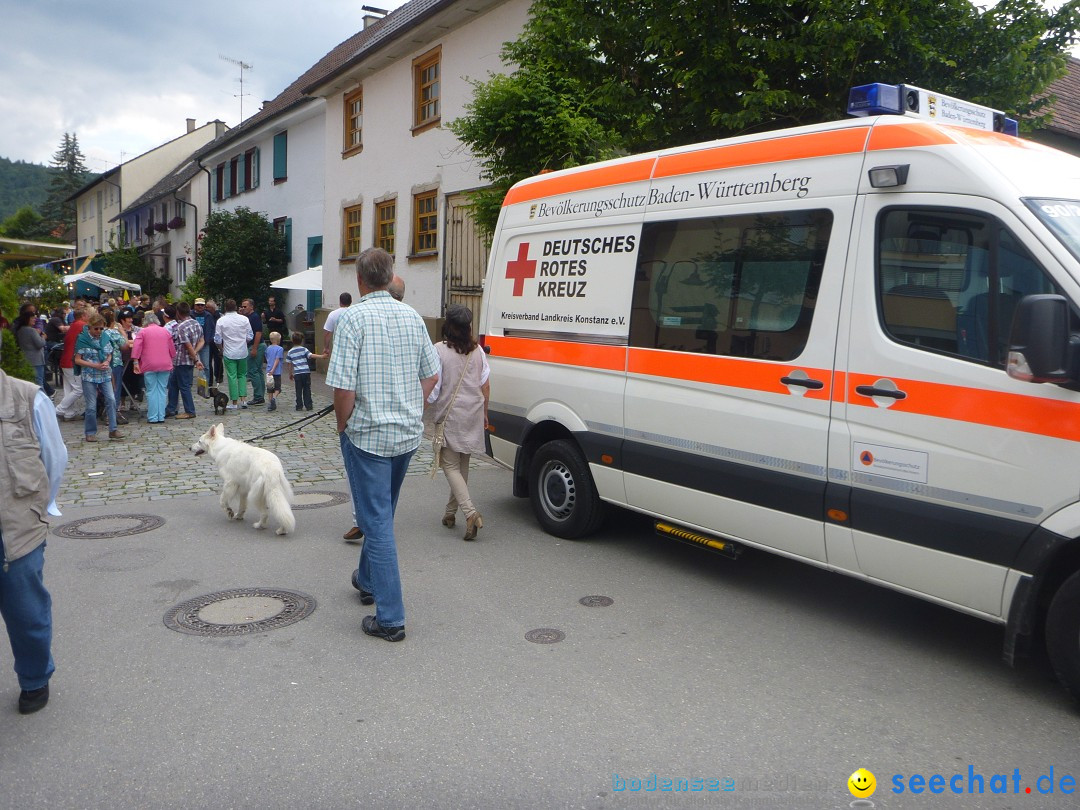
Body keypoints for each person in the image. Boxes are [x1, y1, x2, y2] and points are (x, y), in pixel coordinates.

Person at [327, 247, 440, 643]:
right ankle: (368, 580)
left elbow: (343, 387)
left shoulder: (352, 318)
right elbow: (432, 373)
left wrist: (343, 424)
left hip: (369, 435)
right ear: (390, 276)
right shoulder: (412, 316)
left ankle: (390, 617)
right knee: (382, 513)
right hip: (406, 434)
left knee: (376, 522)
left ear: (359, 281)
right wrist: (411, 403)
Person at [0, 353, 68, 714]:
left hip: (16, 528)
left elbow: (54, 458)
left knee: (27, 613)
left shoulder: (27, 398)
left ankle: (34, 678)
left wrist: (42, 506)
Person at [427, 304, 491, 541]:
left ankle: (470, 512)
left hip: (451, 414)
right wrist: (485, 412)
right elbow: (485, 385)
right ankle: (450, 513)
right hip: (472, 412)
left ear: (449, 326)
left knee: (450, 465)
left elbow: (434, 384)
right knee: (461, 464)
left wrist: (427, 405)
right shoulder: (478, 351)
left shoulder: (439, 350)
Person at [75, 313, 123, 442]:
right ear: (90, 327)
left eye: (101, 328)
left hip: (104, 373)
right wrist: (93, 365)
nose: (99, 331)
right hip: (89, 375)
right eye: (96, 328)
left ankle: (113, 429)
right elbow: (78, 360)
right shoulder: (82, 339)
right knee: (91, 405)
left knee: (111, 400)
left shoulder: (105, 337)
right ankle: (90, 432)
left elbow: (109, 353)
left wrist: (107, 361)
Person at [130, 310, 176, 424]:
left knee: (151, 390)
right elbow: (172, 351)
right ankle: (161, 416)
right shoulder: (165, 331)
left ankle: (153, 416)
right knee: (162, 390)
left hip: (149, 364)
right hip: (165, 364)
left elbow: (136, 347)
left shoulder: (142, 332)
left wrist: (135, 362)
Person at [165, 301, 204, 420]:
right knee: (173, 384)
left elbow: (187, 345)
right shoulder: (196, 323)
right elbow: (202, 340)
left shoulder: (181, 327)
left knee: (184, 386)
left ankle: (190, 411)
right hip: (187, 360)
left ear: (178, 312)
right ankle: (171, 408)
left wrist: (195, 358)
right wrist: (196, 353)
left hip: (182, 360)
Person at [214, 299, 254, 410]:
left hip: (229, 351)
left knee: (232, 376)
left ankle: (234, 402)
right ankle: (244, 400)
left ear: (225, 308)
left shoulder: (221, 321)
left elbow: (217, 339)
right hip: (242, 351)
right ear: (236, 307)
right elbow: (250, 335)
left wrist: (220, 349)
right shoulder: (244, 319)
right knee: (242, 375)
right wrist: (243, 342)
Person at [54, 307, 88, 421]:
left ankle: (69, 413)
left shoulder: (74, 325)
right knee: (79, 389)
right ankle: (58, 410)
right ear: (83, 316)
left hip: (66, 360)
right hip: (72, 362)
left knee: (69, 389)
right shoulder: (81, 325)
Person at [101, 308, 129, 426]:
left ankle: (106, 411)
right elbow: (125, 346)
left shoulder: (100, 332)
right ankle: (113, 413)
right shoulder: (113, 332)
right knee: (115, 389)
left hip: (102, 363)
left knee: (106, 388)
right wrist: (122, 331)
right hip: (115, 362)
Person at [286, 331, 326, 411]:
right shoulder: (304, 349)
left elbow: (289, 364)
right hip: (306, 372)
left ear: (292, 340)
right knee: (307, 388)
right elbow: (311, 355)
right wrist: (321, 356)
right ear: (302, 340)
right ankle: (308, 405)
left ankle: (299, 405)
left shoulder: (290, 352)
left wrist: (290, 373)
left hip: (297, 373)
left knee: (298, 389)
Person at [15, 303, 49, 394]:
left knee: (30, 383)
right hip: (36, 360)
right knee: (39, 383)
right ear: (27, 319)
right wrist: (43, 338)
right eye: (32, 318)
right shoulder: (31, 330)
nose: (35, 319)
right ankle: (44, 404)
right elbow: (39, 344)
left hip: (26, 358)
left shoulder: (20, 330)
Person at [242, 299, 266, 405]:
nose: (243, 308)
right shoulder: (248, 317)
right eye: (242, 306)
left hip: (256, 345)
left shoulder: (254, 317)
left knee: (253, 371)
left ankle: (258, 396)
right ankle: (260, 395)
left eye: (245, 306)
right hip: (256, 345)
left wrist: (254, 348)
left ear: (251, 307)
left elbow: (258, 333)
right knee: (258, 371)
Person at [191, 298, 217, 390]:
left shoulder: (208, 315)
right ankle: (190, 382)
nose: (200, 307)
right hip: (193, 344)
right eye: (198, 305)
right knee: (190, 364)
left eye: (202, 305)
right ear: (195, 305)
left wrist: (208, 340)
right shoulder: (191, 315)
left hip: (205, 344)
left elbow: (212, 328)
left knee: (206, 364)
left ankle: (205, 384)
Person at [322, 292, 352, 356]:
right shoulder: (355, 313)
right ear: (351, 302)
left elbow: (327, 333)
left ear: (340, 302)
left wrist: (326, 348)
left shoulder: (333, 314)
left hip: (338, 348)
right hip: (353, 348)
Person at [204, 299, 224, 384]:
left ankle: (219, 376)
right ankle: (210, 378)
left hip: (217, 340)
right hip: (208, 340)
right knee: (208, 360)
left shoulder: (219, 316)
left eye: (207, 307)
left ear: (212, 308)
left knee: (218, 359)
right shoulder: (206, 315)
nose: (206, 308)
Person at [264, 331, 284, 412]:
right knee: (278, 388)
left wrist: (270, 369)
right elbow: (277, 359)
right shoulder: (280, 349)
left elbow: (266, 358)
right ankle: (274, 398)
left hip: (268, 371)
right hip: (276, 371)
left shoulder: (268, 348)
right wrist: (273, 369)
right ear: (278, 340)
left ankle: (270, 404)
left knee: (270, 388)